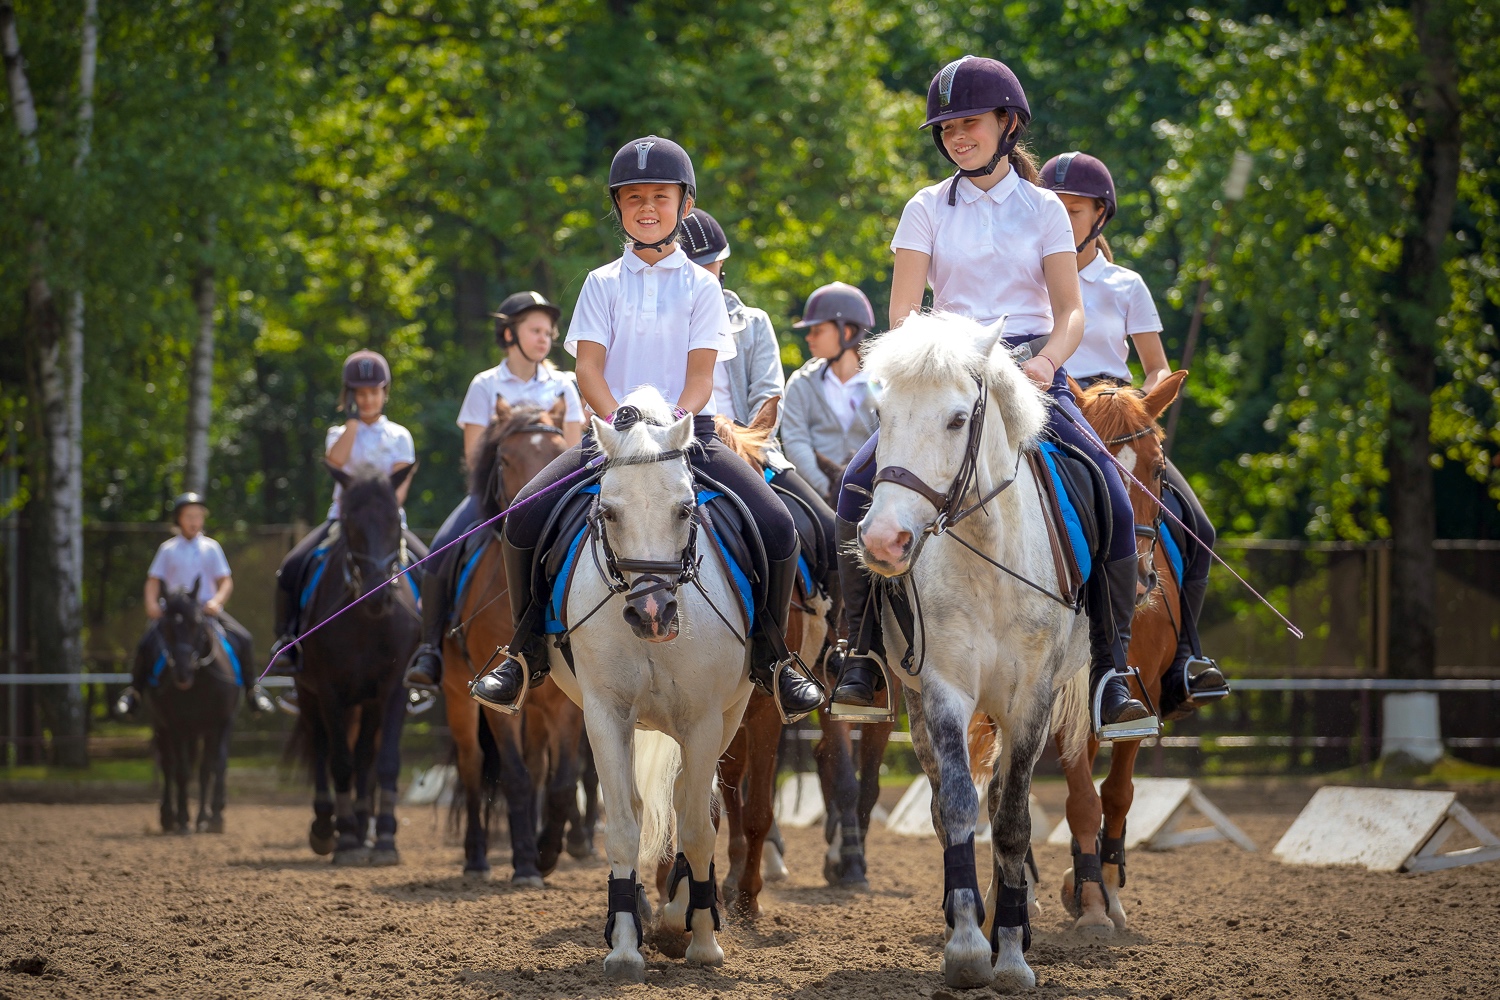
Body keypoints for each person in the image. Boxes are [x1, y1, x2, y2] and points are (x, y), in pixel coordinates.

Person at [829, 55, 1153, 741]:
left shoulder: (1042, 209)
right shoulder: (924, 207)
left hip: (1030, 369)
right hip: (948, 367)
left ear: (1008, 124)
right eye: (945, 127)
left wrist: (1045, 364)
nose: (955, 136)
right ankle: (858, 655)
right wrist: (926, 364)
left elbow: (1071, 312)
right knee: (857, 484)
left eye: (968, 122)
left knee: (1111, 495)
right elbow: (903, 310)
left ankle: (1113, 671)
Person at [468, 135, 824, 720]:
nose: (648, 208)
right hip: (610, 439)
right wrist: (616, 424)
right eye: (634, 199)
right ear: (620, 208)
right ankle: (524, 651)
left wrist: (670, 427)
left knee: (778, 524)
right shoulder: (601, 283)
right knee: (525, 516)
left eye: (660, 196)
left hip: (690, 436)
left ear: (685, 205)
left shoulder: (703, 287)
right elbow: (587, 369)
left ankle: (773, 656)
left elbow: (701, 377)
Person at [1040, 150, 1228, 717]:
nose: (1064, 219)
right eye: (1056, 210)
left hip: (1120, 415)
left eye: (1074, 211)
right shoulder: (1032, 272)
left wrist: (1144, 403)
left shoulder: (1126, 285)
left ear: (1100, 215)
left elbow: (1156, 365)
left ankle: (1187, 658)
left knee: (1200, 528)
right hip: (1057, 410)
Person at [402, 291, 584, 691]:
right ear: (509, 333)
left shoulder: (565, 385)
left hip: (553, 504)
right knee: (440, 552)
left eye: (548, 332)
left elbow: (573, 451)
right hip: (493, 503)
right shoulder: (484, 385)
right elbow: (473, 457)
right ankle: (430, 649)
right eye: (535, 330)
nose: (545, 338)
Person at [678, 208, 839, 601]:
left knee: (831, 530)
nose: (701, 278)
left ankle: (845, 641)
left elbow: (769, 394)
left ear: (721, 265)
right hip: (672, 444)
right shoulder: (658, 320)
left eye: (707, 269)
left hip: (747, 448)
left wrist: (738, 440)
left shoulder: (753, 322)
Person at [266, 349, 418, 678]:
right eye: (359, 394)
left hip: (389, 527)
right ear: (350, 396)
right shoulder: (338, 433)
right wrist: (351, 424)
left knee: (433, 569)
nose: (367, 400)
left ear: (385, 393)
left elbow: (399, 491)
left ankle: (430, 648)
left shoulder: (399, 436)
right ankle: (288, 640)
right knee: (291, 568)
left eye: (374, 392)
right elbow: (334, 463)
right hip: (342, 523)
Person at [116, 493, 273, 715]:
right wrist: (151, 605)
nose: (194, 521)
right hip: (174, 614)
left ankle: (252, 690)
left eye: (198, 516)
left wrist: (217, 601)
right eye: (189, 516)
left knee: (244, 639)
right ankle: (134, 693)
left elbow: (225, 581)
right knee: (145, 644)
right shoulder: (167, 549)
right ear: (178, 519)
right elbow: (153, 581)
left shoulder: (211, 547)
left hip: (204, 611)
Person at [780, 282, 880, 506]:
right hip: (816, 496)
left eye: (817, 330)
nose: (809, 337)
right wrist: (828, 489)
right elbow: (796, 442)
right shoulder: (801, 383)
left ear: (845, 332)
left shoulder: (883, 384)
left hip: (873, 496)